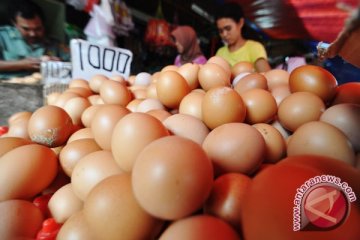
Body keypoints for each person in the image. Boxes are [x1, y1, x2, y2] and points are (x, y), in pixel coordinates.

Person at [0, 0, 70, 80]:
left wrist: (59, 64)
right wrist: (21, 64)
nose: (32, 34)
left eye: (38, 29)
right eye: (26, 29)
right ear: (15, 24)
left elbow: (74, 64)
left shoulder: (55, 44)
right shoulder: (2, 36)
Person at [214, 2, 271, 72]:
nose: (224, 34)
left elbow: (266, 76)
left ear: (240, 23)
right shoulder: (220, 52)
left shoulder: (254, 47)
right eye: (220, 31)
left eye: (228, 28)